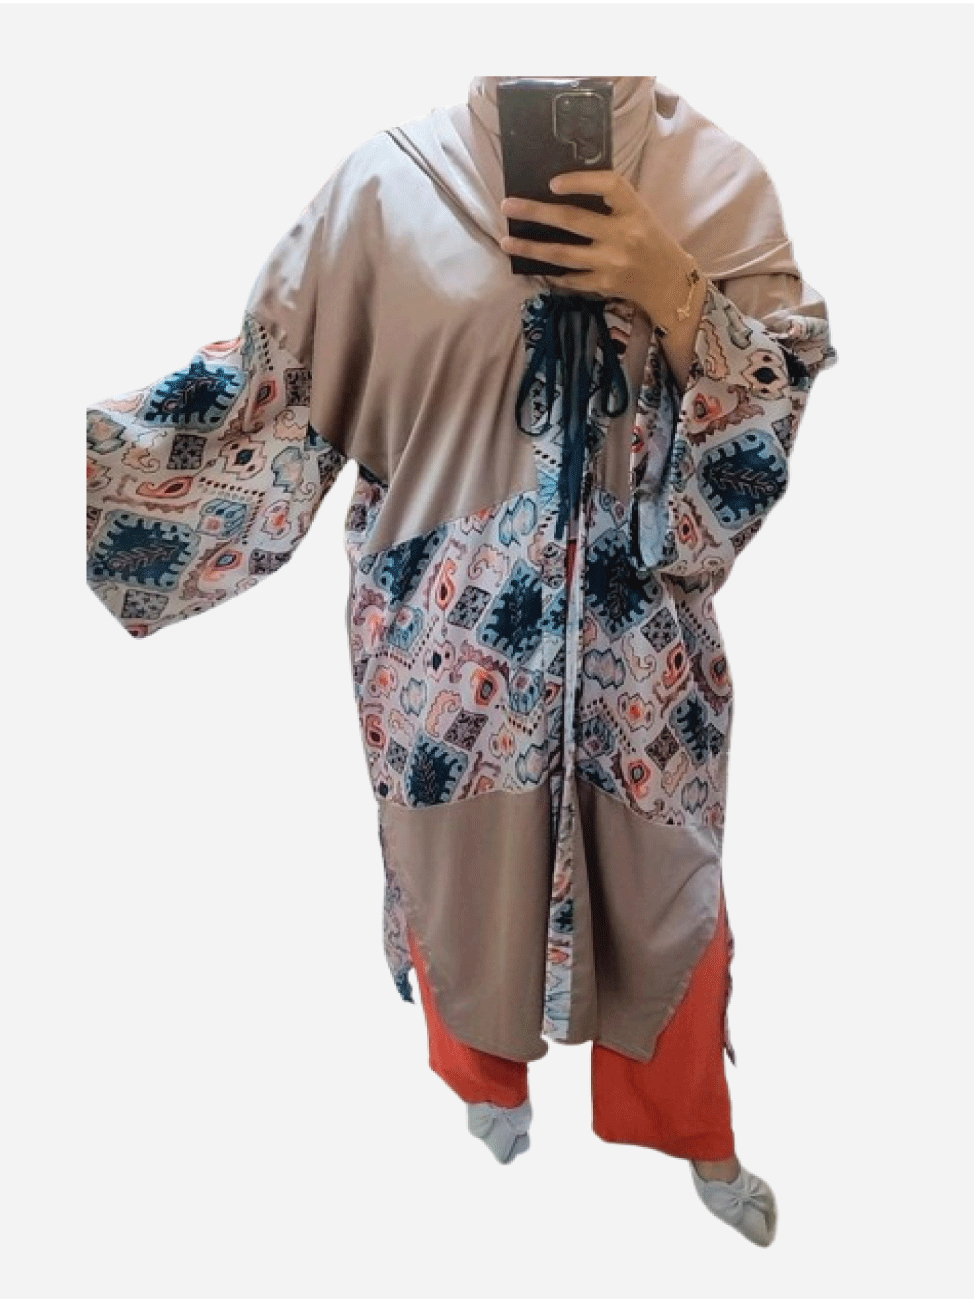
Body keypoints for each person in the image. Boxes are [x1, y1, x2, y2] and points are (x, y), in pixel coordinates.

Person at [86, 74, 837, 1248]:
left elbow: (763, 426)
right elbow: (264, 402)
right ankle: (488, 1092)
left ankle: (694, 1131)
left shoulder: (717, 182)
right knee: (458, 888)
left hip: (642, 668)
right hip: (443, 659)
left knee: (665, 904)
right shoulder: (385, 188)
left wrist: (676, 293)